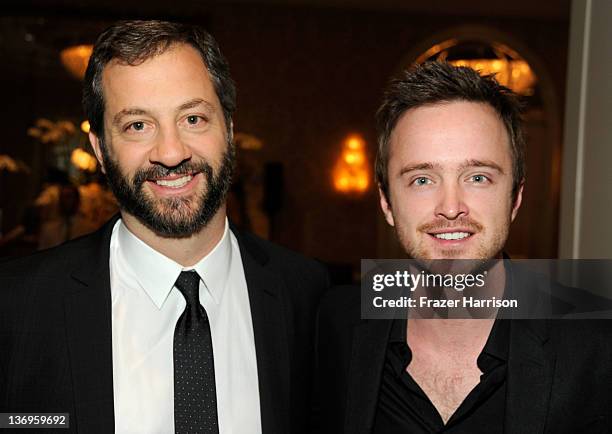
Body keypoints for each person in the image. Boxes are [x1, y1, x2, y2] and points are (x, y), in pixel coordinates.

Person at [0, 20, 328, 434]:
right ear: (100, 149)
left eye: (193, 118)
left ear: (227, 129)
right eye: (138, 125)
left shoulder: (309, 294)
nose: (171, 152)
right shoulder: (15, 305)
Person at [315, 62, 612, 433]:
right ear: (387, 203)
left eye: (478, 177)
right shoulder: (334, 325)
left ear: (515, 198)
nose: (451, 206)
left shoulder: (596, 345)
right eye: (422, 179)